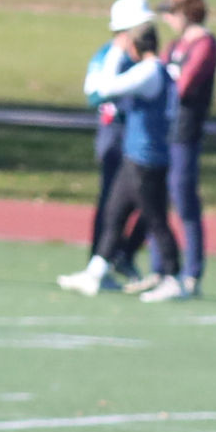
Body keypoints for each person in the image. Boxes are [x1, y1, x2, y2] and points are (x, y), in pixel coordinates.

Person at [60, 19, 180, 297]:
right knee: (114, 214)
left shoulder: (148, 72)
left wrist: (115, 51)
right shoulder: (151, 70)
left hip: (147, 160)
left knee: (156, 220)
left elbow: (106, 88)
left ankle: (173, 277)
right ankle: (96, 272)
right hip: (134, 157)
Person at [82, 0, 150, 279]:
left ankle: (122, 255)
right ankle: (100, 260)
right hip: (115, 136)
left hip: (140, 136)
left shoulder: (142, 55)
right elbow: (93, 93)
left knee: (148, 201)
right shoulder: (109, 55)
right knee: (111, 201)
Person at [161, 0, 216, 299]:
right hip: (162, 129)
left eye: (171, 12)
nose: (167, 19)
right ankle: (161, 269)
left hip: (185, 131)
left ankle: (192, 272)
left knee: (183, 199)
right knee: (156, 199)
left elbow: (183, 85)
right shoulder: (174, 45)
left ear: (187, 12)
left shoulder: (204, 44)